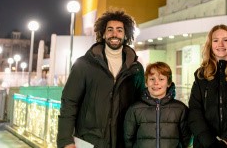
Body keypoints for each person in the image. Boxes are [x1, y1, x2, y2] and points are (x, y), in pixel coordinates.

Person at [57, 9, 145, 148]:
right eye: (110, 30)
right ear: (103, 34)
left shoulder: (136, 68)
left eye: (119, 30)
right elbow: (69, 103)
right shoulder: (84, 64)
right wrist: (65, 140)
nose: (114, 34)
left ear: (126, 34)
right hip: (90, 141)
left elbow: (142, 105)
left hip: (124, 141)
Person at [189, 24, 227, 148]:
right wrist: (210, 143)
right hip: (206, 145)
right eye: (216, 40)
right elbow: (195, 112)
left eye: (225, 40)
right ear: (210, 45)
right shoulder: (200, 75)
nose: (220, 44)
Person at [124, 62, 192, 148]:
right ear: (146, 82)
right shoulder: (135, 109)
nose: (156, 83)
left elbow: (187, 140)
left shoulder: (180, 109)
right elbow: (128, 139)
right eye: (152, 79)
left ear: (168, 83)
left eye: (161, 79)